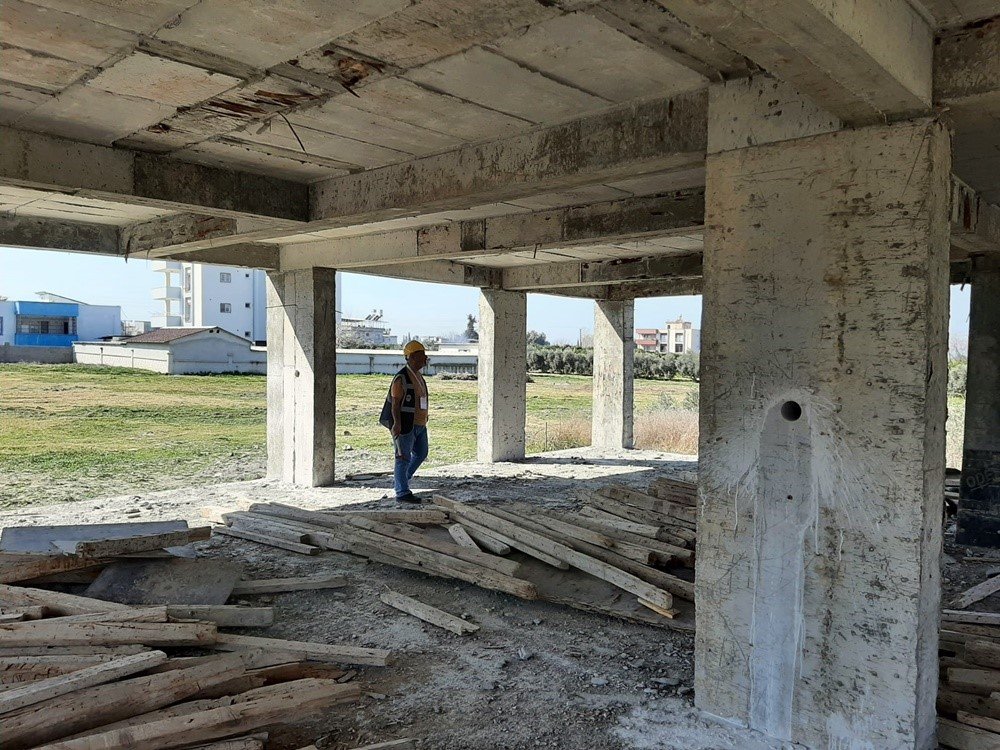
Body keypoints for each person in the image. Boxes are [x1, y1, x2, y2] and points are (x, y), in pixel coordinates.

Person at [379, 340, 430, 503]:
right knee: (402, 457)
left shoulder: (419, 376)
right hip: (406, 424)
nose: (426, 358)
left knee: (421, 453)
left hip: (420, 424)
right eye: (422, 355)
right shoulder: (401, 378)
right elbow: (395, 404)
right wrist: (397, 424)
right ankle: (402, 492)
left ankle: (403, 478)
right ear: (413, 357)